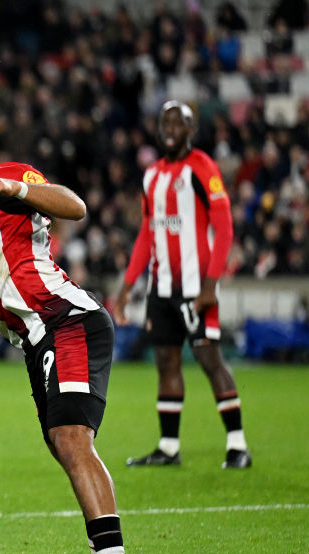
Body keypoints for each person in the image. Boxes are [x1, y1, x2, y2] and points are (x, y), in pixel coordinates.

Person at [0, 108, 141, 554]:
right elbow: (7, 266)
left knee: (70, 437)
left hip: (69, 323)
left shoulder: (3, 178)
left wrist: (18, 189)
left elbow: (73, 205)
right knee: (58, 441)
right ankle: (104, 547)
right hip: (37, 337)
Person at [113, 100, 251, 470]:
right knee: (166, 363)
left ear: (191, 129)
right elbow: (147, 233)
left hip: (196, 288)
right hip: (161, 289)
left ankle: (238, 446)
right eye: (165, 122)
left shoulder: (204, 168)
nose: (170, 128)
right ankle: (169, 448)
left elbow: (224, 230)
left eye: (179, 122)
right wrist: (127, 287)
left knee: (210, 359)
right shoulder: (151, 175)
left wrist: (211, 285)